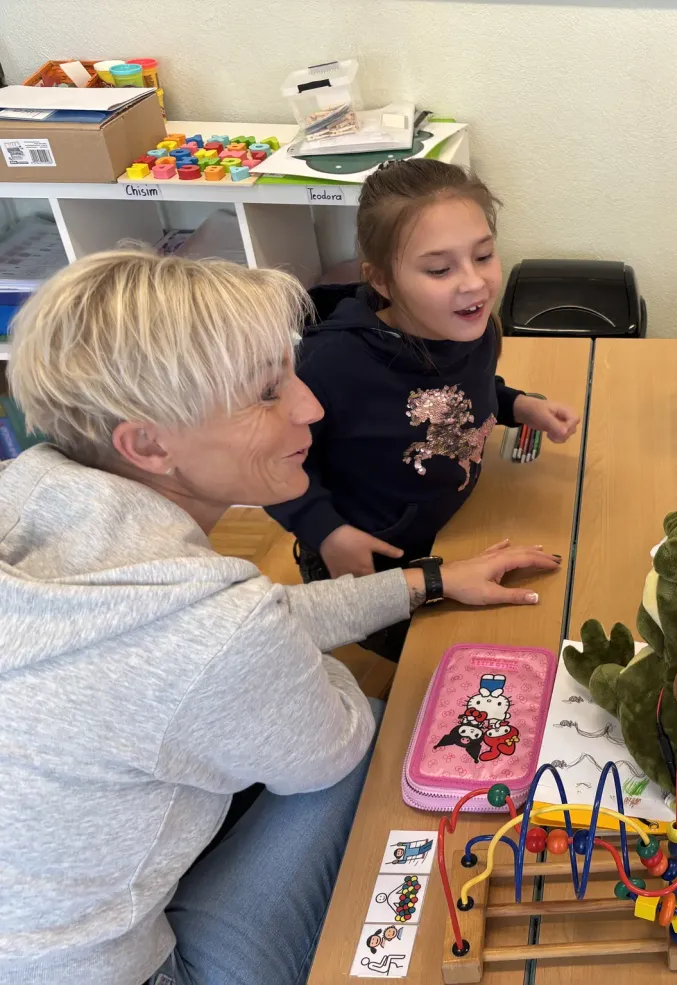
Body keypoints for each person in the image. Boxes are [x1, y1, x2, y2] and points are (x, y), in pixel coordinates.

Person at [0, 250, 560, 985]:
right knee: (391, 727)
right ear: (148, 443)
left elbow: (246, 622)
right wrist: (275, 657)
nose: (310, 407)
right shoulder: (217, 628)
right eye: (267, 393)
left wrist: (424, 581)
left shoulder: (29, 496)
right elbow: (301, 697)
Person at [266, 159, 581, 659]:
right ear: (383, 281)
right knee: (434, 666)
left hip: (452, 530)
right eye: (440, 269)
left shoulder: (469, 325)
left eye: (483, 256)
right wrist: (325, 530)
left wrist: (516, 405)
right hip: (374, 561)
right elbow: (268, 461)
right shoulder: (330, 364)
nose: (474, 283)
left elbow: (465, 392)